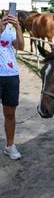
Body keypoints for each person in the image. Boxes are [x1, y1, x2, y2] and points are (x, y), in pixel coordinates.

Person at [0, 11, 24, 160]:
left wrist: (18, 27)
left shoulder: (10, 28)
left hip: (10, 75)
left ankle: (10, 146)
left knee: (10, 114)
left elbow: (20, 46)